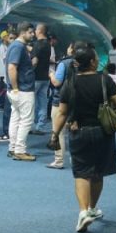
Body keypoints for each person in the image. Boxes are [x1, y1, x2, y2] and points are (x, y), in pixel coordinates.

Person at [52, 43, 116, 233]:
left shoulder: (71, 83)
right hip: (103, 132)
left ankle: (83, 211)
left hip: (79, 132)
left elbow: (62, 112)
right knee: (98, 172)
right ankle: (92, 208)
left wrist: (55, 135)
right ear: (93, 62)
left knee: (81, 173)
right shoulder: (105, 80)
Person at [6, 22, 37, 161]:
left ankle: (13, 148)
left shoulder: (15, 46)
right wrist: (16, 88)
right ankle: (19, 150)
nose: (33, 34)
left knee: (16, 118)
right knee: (26, 120)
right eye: (30, 32)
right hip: (23, 90)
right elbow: (12, 68)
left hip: (17, 90)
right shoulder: (18, 46)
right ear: (23, 32)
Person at [46, 41, 76, 170]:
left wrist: (52, 74)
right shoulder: (82, 63)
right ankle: (76, 160)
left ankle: (58, 160)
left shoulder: (64, 63)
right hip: (77, 102)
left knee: (59, 132)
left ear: (71, 49)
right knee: (75, 132)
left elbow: (57, 82)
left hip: (60, 101)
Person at [31, 23, 52, 133]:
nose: (34, 32)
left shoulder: (37, 44)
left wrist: (28, 71)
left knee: (30, 102)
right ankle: (40, 126)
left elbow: (34, 61)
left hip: (35, 78)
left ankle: (29, 125)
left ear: (39, 31)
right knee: (43, 101)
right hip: (45, 77)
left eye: (35, 30)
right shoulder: (47, 44)